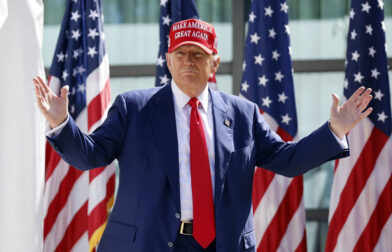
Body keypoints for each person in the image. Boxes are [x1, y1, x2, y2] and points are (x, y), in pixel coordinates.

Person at [34, 19, 373, 252]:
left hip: (219, 244)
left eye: (198, 54)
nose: (188, 62)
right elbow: (89, 155)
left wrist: (335, 131)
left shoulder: (243, 115)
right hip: (148, 243)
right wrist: (62, 122)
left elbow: (287, 160)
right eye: (180, 54)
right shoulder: (133, 108)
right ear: (168, 60)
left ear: (215, 62)